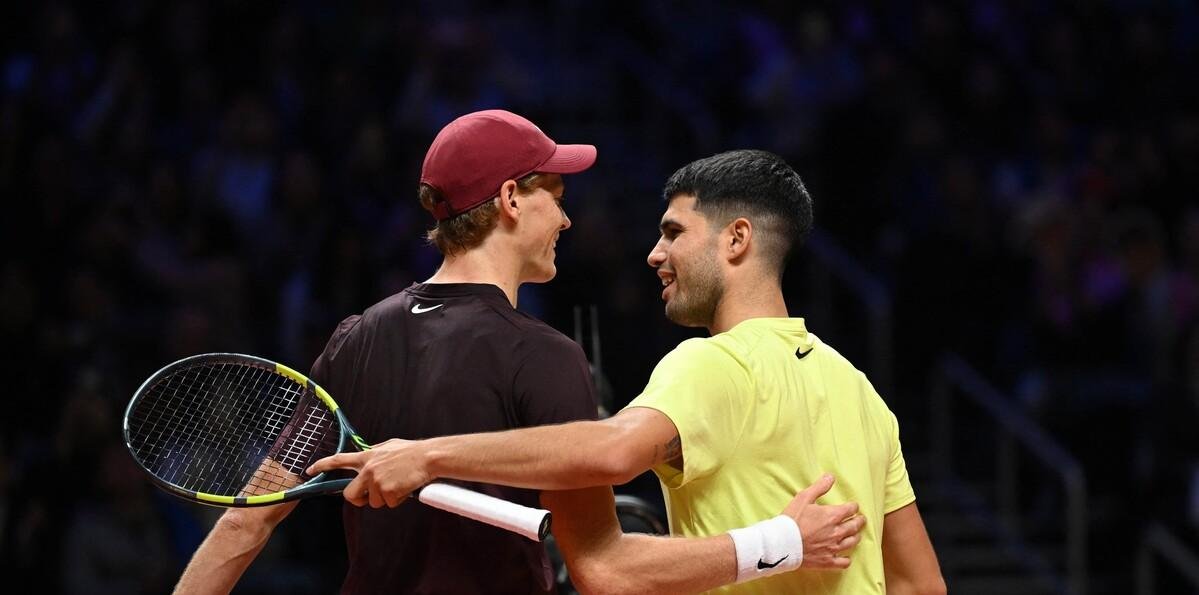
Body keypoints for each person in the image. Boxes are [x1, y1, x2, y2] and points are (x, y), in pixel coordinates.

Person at [174, 113, 865, 594]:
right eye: (554, 195)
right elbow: (606, 572)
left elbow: (245, 519)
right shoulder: (544, 356)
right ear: (509, 199)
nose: (565, 218)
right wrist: (778, 542)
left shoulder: (353, 337)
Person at [310, 149, 946, 594]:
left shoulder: (709, 364)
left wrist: (427, 455)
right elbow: (920, 583)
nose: (654, 253)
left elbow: (613, 459)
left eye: (673, 233)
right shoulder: (859, 390)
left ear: (736, 240)